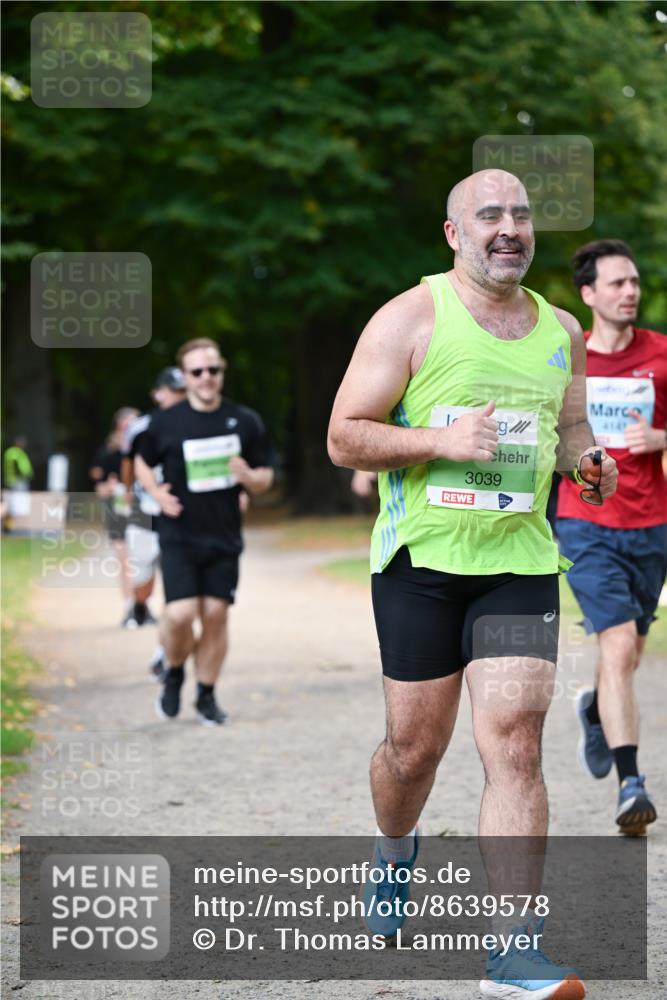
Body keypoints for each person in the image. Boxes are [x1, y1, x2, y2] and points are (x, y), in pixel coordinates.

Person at [328, 169, 617, 1000]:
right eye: (487, 215)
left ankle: (512, 954)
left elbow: (570, 431)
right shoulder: (411, 317)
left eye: (520, 215)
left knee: (515, 744)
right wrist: (438, 443)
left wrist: (585, 465)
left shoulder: (560, 328)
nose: (508, 228)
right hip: (420, 564)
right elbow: (344, 437)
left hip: (519, 565)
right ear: (452, 234)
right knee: (412, 751)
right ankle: (394, 850)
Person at [556, 239, 666, 837]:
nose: (631, 292)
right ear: (589, 294)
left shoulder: (662, 354)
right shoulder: (569, 364)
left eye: (635, 282)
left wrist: (662, 439)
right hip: (585, 521)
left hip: (652, 527)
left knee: (630, 653)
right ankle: (632, 784)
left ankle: (595, 710)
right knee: (618, 646)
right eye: (617, 283)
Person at [135, 338, 274, 726]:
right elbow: (142, 462)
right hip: (178, 533)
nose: (206, 377)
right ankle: (175, 671)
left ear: (222, 371)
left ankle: (207, 696)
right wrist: (157, 494)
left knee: (215, 615)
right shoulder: (166, 422)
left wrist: (248, 476)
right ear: (186, 376)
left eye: (213, 370)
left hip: (224, 536)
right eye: (197, 372)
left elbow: (265, 476)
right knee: (179, 615)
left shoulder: (244, 421)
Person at [121, 367, 187, 636]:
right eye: (172, 390)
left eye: (182, 390)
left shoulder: (193, 423)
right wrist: (126, 493)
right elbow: (128, 463)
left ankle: (175, 616)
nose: (178, 396)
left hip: (178, 508)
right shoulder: (141, 427)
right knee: (144, 572)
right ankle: (138, 605)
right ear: (157, 394)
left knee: (178, 570)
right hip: (144, 506)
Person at [89, 408, 139, 627]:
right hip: (117, 507)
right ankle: (130, 604)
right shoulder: (109, 450)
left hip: (141, 507)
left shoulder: (148, 447)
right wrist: (108, 486)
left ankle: (142, 603)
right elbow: (97, 478)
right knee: (123, 556)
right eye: (124, 423)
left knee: (144, 558)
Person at [2, 434, 34, 531]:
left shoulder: (15, 452)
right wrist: (25, 475)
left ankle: (10, 525)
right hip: (16, 481)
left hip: (13, 481)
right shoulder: (15, 453)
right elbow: (18, 467)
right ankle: (13, 526)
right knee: (14, 504)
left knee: (11, 502)